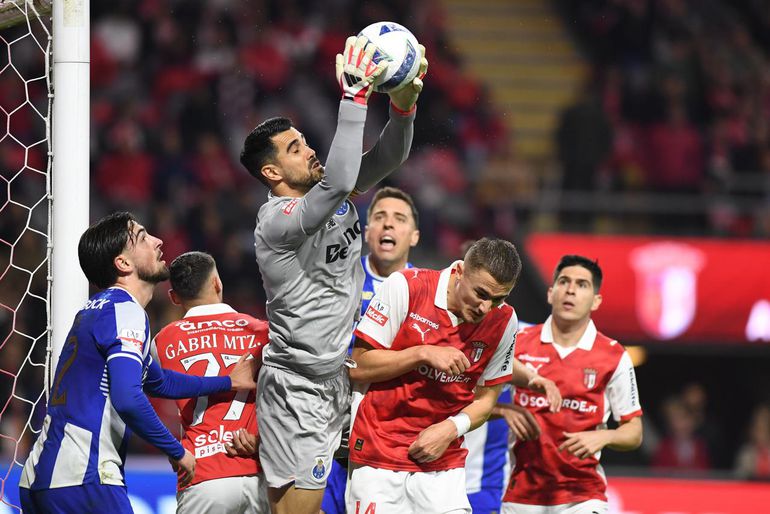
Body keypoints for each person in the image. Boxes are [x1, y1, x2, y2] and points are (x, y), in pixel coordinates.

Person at [239, 35, 428, 514]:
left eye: (303, 141)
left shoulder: (332, 194)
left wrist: (403, 110)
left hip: (339, 381)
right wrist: (354, 98)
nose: (309, 151)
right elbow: (342, 179)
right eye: (294, 148)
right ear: (270, 172)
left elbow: (387, 160)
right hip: (299, 388)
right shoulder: (277, 222)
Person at [18, 212, 257, 513]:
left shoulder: (96, 309)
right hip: (84, 476)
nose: (158, 241)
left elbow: (159, 382)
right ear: (124, 264)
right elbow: (128, 398)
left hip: (42, 474)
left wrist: (227, 381)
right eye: (143, 237)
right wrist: (177, 450)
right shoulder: (125, 312)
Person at [346, 238, 559, 514]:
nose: (486, 308)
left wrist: (451, 428)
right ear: (459, 271)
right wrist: (421, 353)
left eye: (498, 298)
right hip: (379, 454)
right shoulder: (407, 286)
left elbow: (486, 399)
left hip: (443, 463)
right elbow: (358, 366)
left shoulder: (505, 321)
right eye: (481, 294)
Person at [501, 255, 643, 514]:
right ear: (550, 293)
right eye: (564, 281)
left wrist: (605, 436)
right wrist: (502, 410)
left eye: (582, 284)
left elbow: (634, 431)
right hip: (522, 495)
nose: (570, 290)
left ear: (596, 301)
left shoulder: (613, 355)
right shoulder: (518, 342)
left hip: (583, 497)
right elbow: (475, 397)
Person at [321, 186, 421, 514]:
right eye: (379, 217)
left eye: (399, 219)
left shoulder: (429, 291)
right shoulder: (338, 280)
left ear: (414, 236)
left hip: (394, 447)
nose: (388, 225)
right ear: (367, 233)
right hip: (329, 433)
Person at [152, 251, 270, 513]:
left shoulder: (162, 341)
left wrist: (172, 448)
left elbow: (139, 398)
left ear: (174, 297)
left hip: (202, 473)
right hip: (257, 470)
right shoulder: (262, 332)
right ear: (217, 283)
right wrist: (262, 440)